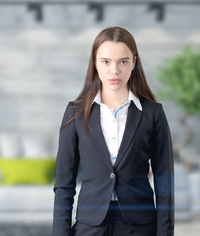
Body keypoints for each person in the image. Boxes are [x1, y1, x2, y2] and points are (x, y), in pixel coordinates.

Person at [52, 27, 174, 236]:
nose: (114, 71)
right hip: (90, 226)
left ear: (134, 62)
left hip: (140, 226)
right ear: (95, 63)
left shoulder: (153, 114)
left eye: (123, 61)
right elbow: (64, 184)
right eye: (106, 61)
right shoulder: (75, 113)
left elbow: (166, 186)